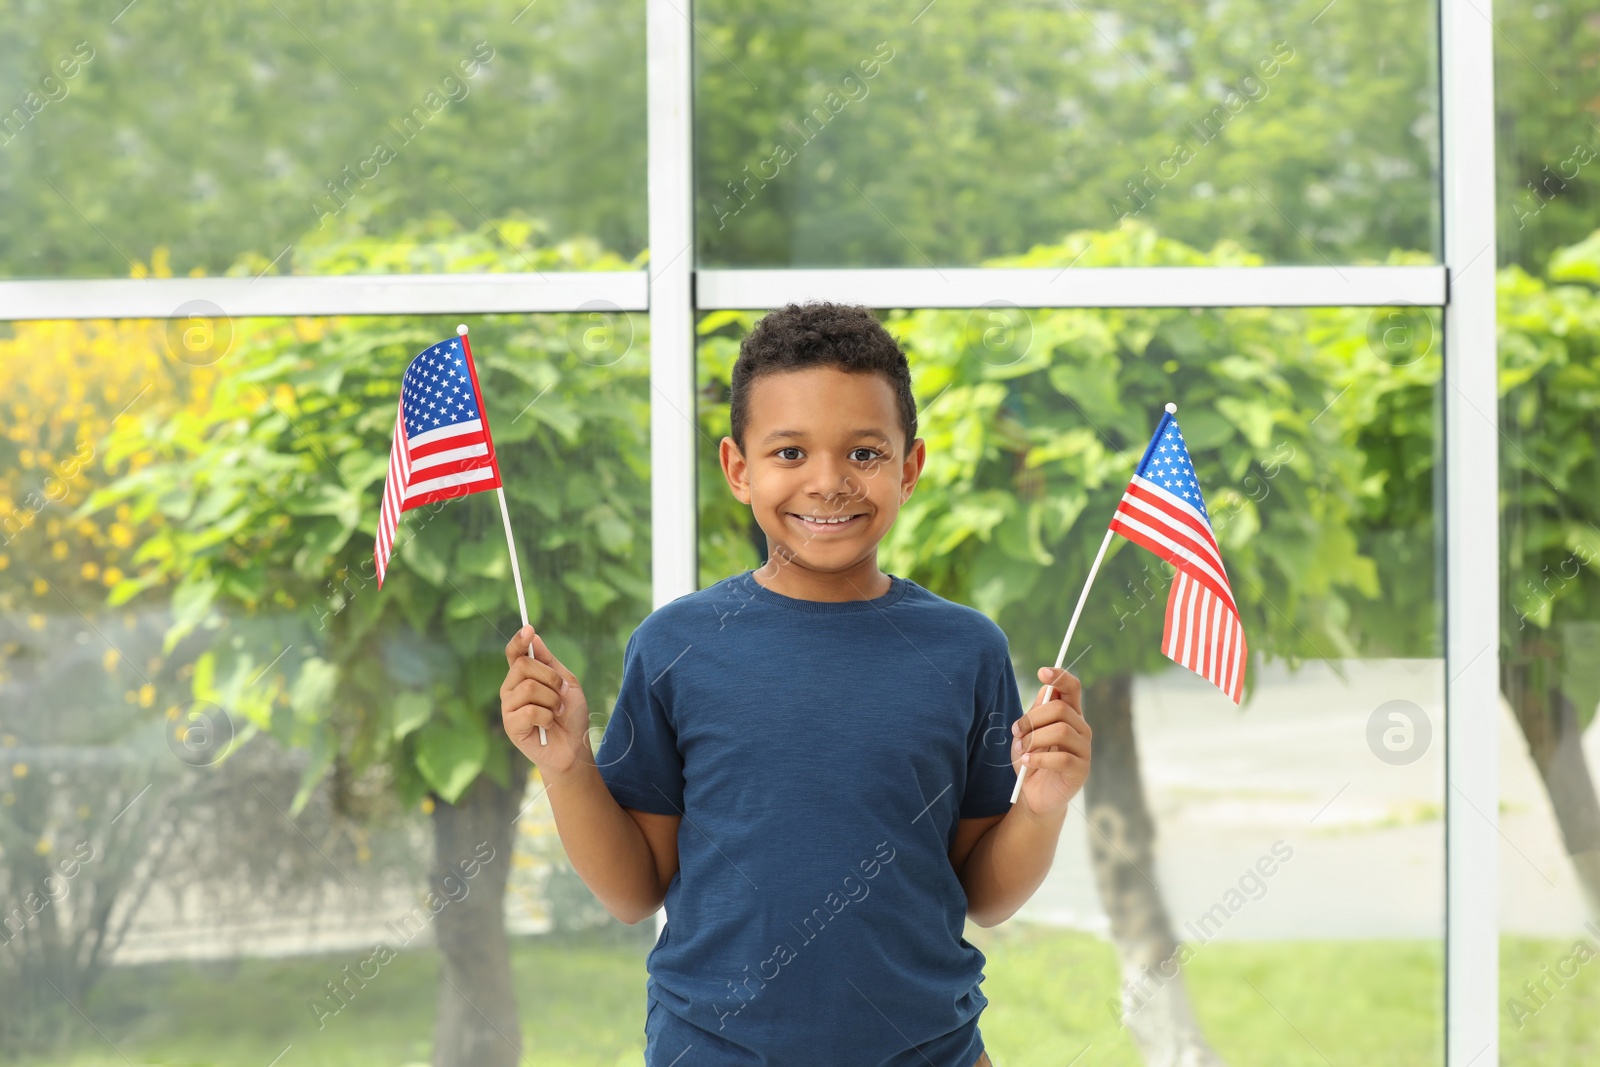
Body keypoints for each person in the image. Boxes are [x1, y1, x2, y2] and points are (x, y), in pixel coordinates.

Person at [499, 301, 1091, 1066]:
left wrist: (1043, 806)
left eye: (865, 454)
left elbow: (983, 891)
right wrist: (567, 764)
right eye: (789, 453)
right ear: (738, 469)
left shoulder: (967, 649)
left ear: (909, 468)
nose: (829, 482)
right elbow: (633, 889)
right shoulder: (675, 646)